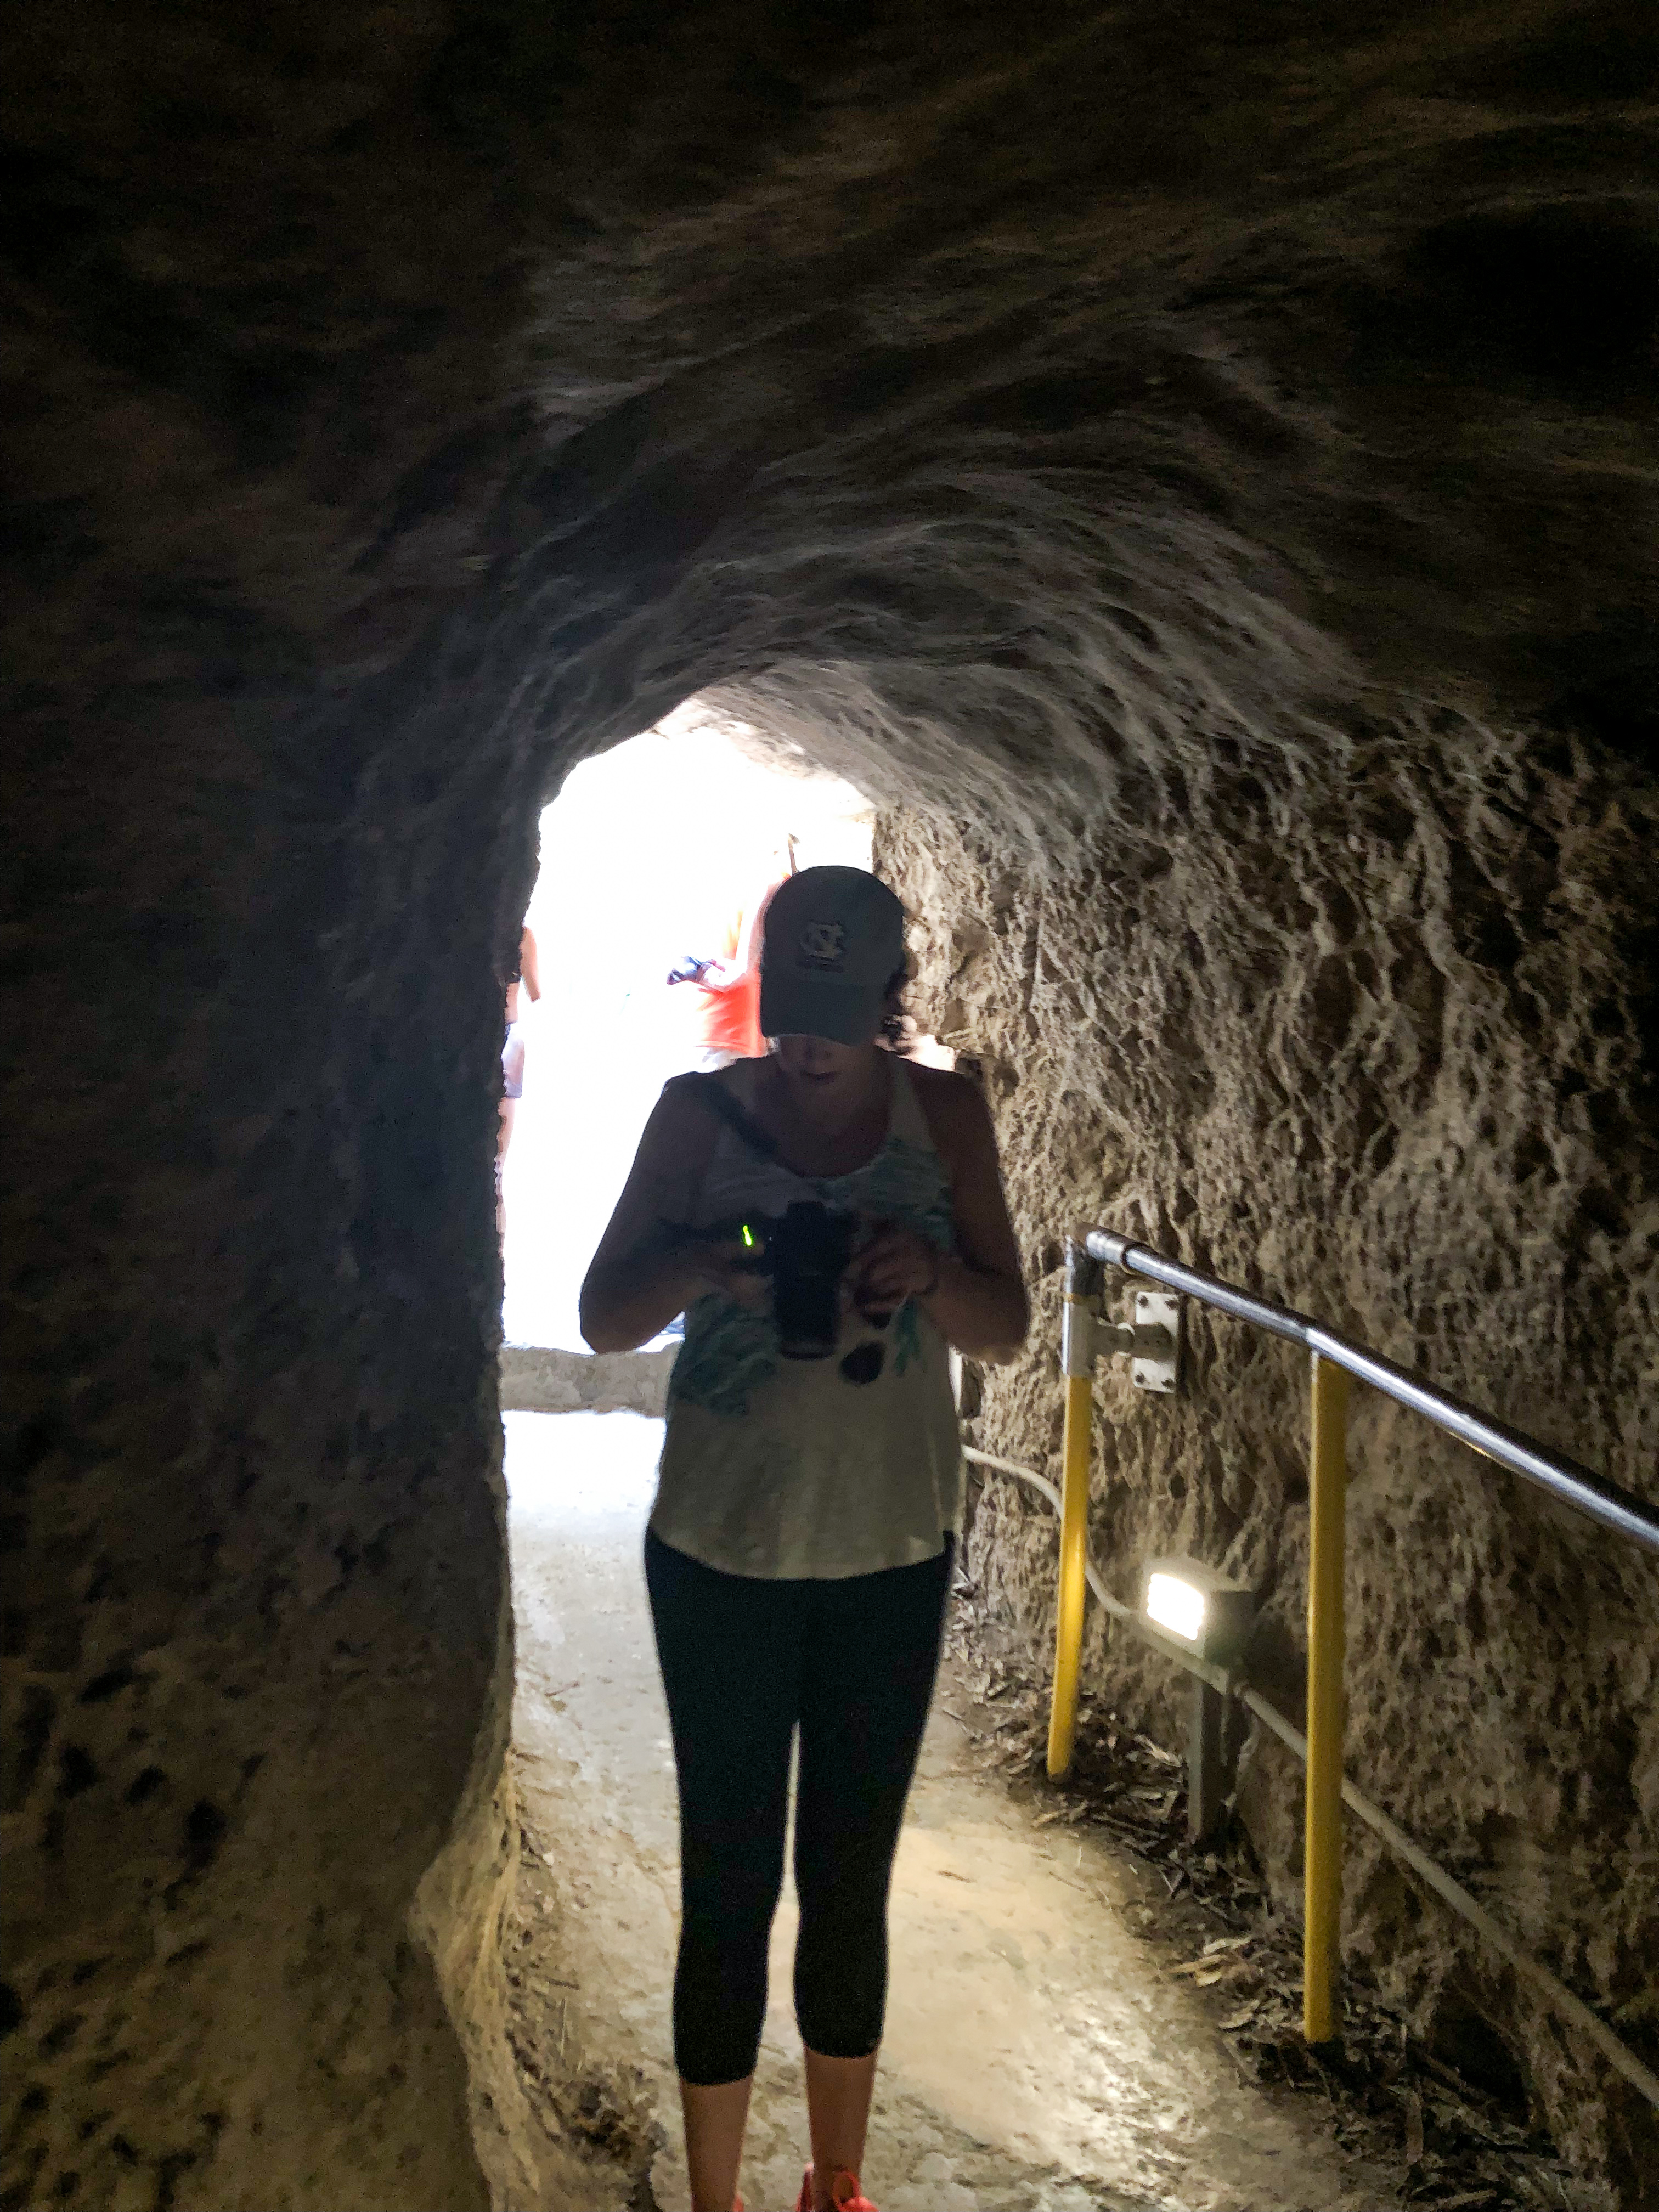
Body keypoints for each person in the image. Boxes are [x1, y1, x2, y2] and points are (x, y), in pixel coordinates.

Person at [580, 866, 1029, 2212]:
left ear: (891, 1002)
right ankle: (715, 2197)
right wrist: (715, 1257)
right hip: (720, 1550)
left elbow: (1001, 1327)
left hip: (890, 1552)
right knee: (728, 1881)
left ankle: (835, 2184)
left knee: (848, 1883)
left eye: (841, 1011)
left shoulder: (943, 1116)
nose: (812, 1041)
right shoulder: (697, 1116)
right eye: (793, 1007)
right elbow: (604, 1315)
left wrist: (926, 1274)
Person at [498, 924, 541, 1242]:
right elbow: (537, 995)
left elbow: (538, 997)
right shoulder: (520, 934)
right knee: (495, 1168)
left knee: (493, 1166)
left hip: (504, 1041)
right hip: (506, 1039)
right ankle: (494, 1256)